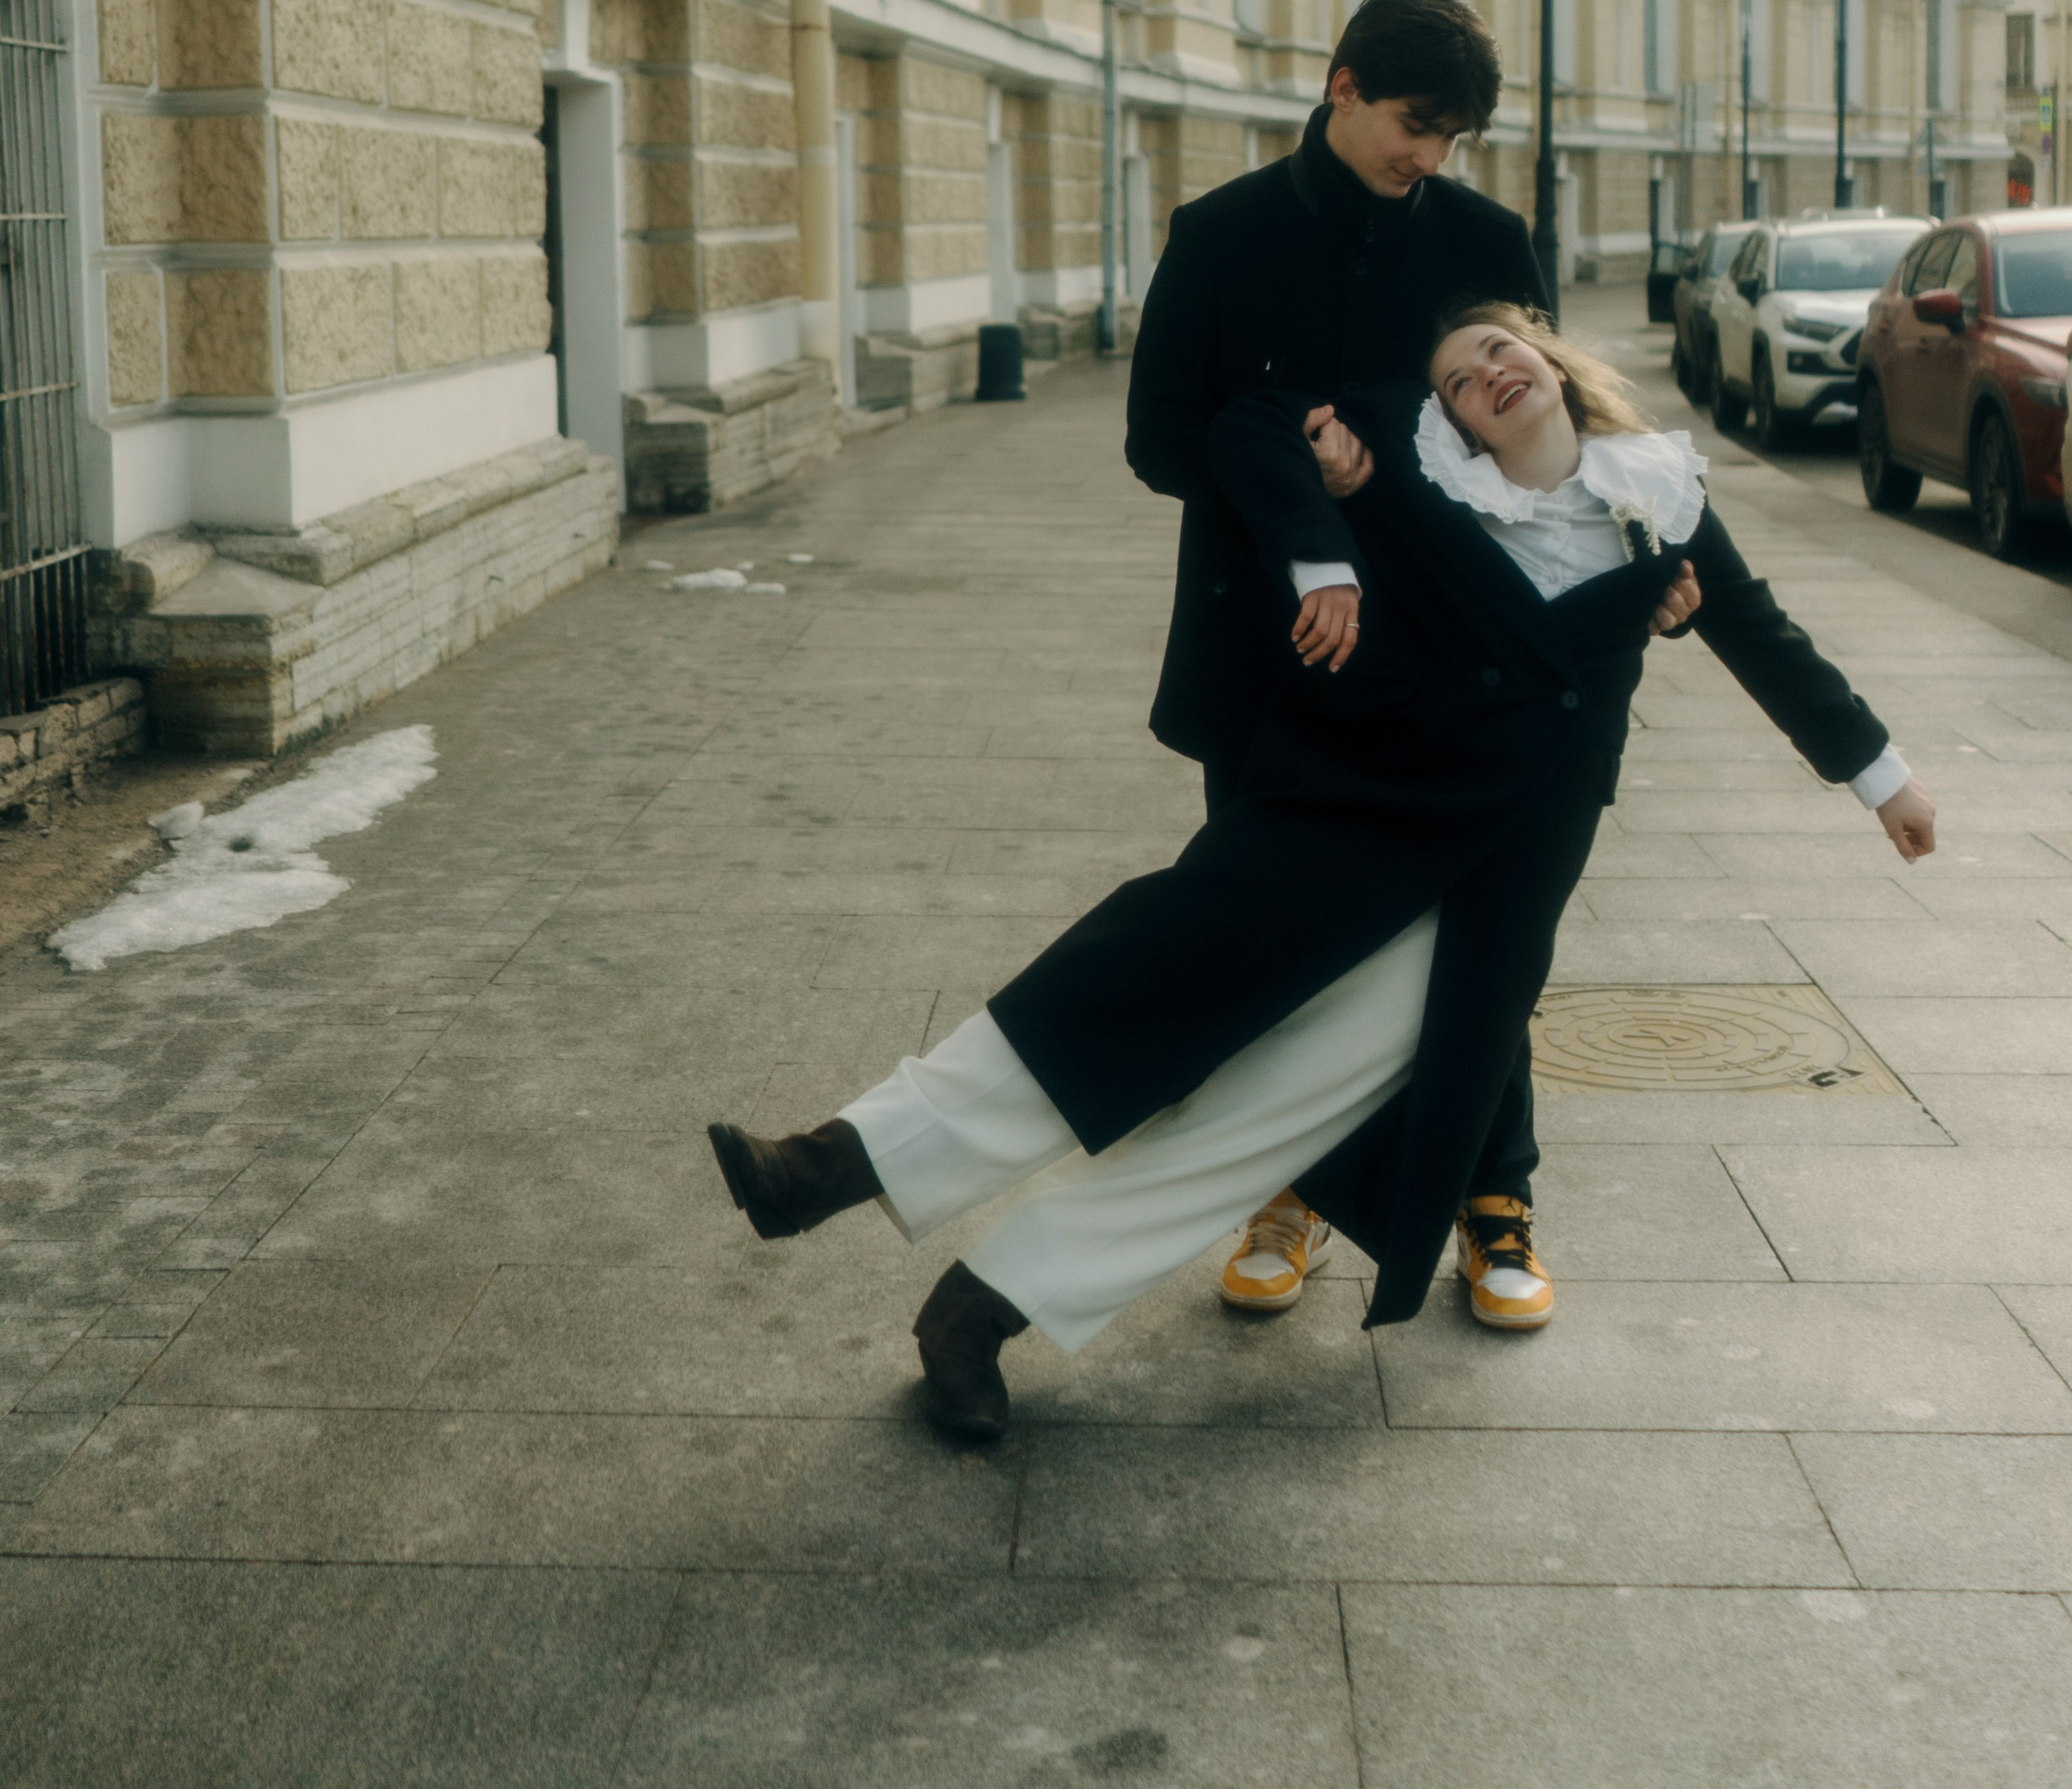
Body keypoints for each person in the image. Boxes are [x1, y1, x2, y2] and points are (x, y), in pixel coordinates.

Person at [707, 304, 1935, 1440]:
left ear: (1552, 363)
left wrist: (1882, 778)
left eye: (1502, 349)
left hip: (1500, 871)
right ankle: (828, 1162)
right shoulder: (1418, 472)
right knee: (1129, 978)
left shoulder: (1660, 498)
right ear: (1447, 413)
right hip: (1357, 806)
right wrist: (1324, 538)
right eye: (1456, 376)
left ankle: (981, 1309)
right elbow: (1250, 424)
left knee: (1270, 1115)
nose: (1485, 374)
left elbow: (1766, 636)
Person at [1125, 0, 1539, 1320]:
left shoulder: (1486, 240)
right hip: (1266, 653)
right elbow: (1156, 441)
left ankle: (1498, 1200)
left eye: (1455, 136)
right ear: (1342, 85)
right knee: (1277, 929)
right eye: (1417, 125)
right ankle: (1289, 1188)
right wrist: (1284, 474)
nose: (1433, 157)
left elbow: (1544, 434)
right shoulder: (1222, 232)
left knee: (1483, 920)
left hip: (1447, 651)